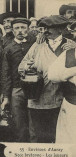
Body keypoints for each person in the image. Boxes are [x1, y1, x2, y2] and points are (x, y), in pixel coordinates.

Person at [18, 15, 69, 143]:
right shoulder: (38, 45)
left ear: (61, 29)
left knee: (58, 135)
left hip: (60, 98)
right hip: (37, 98)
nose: (46, 31)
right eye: (44, 28)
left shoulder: (69, 46)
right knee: (39, 135)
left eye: (50, 28)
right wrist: (27, 66)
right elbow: (21, 68)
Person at [1, 18, 36, 142]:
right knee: (18, 123)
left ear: (28, 29)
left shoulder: (35, 45)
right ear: (13, 30)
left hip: (34, 89)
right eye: (17, 28)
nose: (20, 31)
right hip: (16, 90)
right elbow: (5, 74)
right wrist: (6, 96)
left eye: (23, 27)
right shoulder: (8, 49)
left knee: (34, 123)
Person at [48, 47, 76, 145]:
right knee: (67, 142)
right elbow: (52, 75)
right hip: (71, 105)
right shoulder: (68, 54)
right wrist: (71, 71)